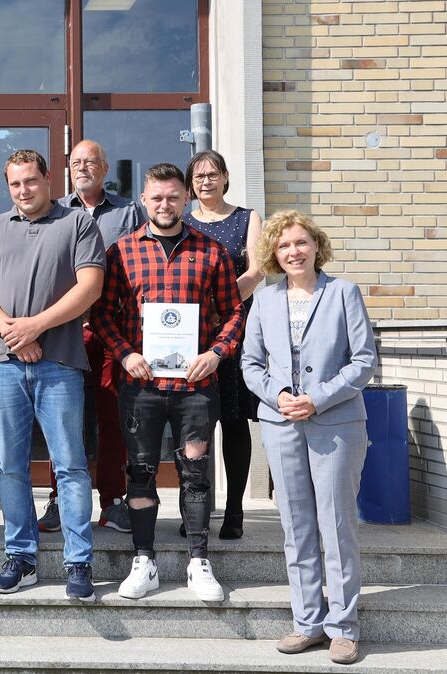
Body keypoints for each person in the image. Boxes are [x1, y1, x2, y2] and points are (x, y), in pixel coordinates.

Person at [90, 162, 244, 602]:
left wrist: (216, 354)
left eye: (173, 197)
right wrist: (126, 353)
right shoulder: (121, 251)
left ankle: (199, 560)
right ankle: (145, 560)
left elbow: (234, 312)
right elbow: (101, 313)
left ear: (185, 200)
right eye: (156, 197)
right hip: (140, 387)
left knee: (195, 473)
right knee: (139, 473)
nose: (164, 204)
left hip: (195, 386)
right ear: (143, 200)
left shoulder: (211, 251)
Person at [0, 150, 105, 599]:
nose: (23, 190)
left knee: (70, 465)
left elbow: (90, 286)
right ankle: (21, 557)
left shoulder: (78, 224)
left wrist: (36, 325)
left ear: (48, 179)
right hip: (3, 363)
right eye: (15, 184)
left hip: (60, 362)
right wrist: (14, 332)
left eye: (30, 181)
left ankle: (78, 562)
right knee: (10, 466)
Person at [241, 210, 376, 665]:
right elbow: (250, 364)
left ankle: (343, 627)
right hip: (281, 424)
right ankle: (307, 623)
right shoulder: (264, 301)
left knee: (336, 526)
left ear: (316, 245)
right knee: (296, 527)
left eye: (301, 242)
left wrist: (317, 399)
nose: (294, 252)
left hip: (334, 424)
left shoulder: (343, 293)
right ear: (273, 255)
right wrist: (278, 395)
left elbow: (363, 362)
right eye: (283, 246)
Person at [38, 139, 144, 536]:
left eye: (91, 162)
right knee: (61, 418)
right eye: (77, 162)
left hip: (112, 333)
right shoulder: (53, 212)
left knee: (113, 417)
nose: (83, 168)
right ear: (68, 169)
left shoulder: (130, 212)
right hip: (64, 331)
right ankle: (58, 499)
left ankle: (113, 501)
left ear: (105, 168)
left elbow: (140, 266)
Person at [182, 149, 264, 540]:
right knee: (192, 423)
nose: (206, 182)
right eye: (198, 177)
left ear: (226, 177)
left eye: (213, 174)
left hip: (232, 332)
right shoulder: (181, 220)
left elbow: (259, 269)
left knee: (233, 421)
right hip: (190, 336)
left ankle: (234, 511)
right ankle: (192, 511)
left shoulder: (246, 218)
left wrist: (221, 301)